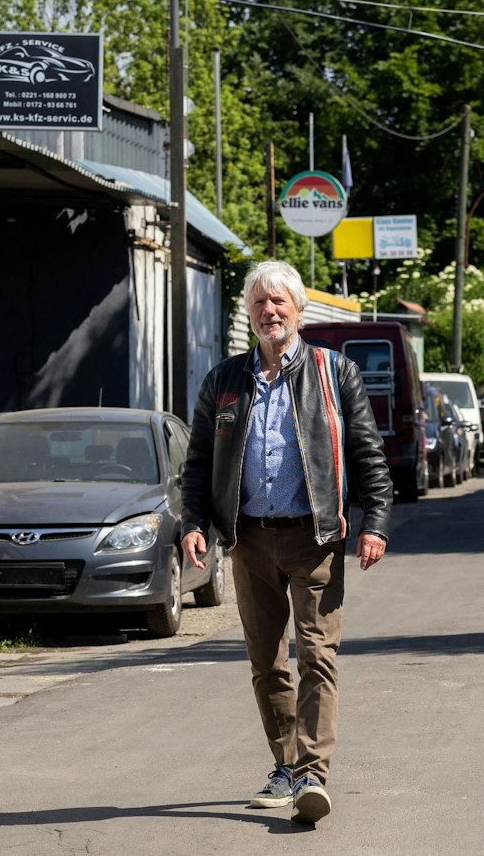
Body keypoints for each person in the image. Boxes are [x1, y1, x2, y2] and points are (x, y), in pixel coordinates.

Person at [178, 260, 394, 827]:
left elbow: (369, 454)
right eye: (259, 304)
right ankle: (287, 763)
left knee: (318, 654)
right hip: (248, 539)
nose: (269, 312)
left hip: (314, 536)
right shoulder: (222, 381)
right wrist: (193, 522)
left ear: (298, 311)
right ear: (249, 315)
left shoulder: (334, 372)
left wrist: (375, 523)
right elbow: (198, 463)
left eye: (279, 303)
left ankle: (312, 775)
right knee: (266, 661)